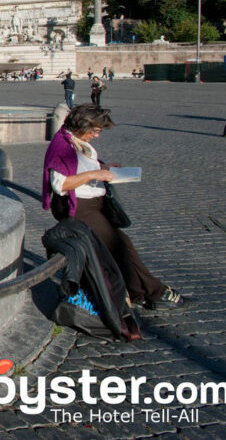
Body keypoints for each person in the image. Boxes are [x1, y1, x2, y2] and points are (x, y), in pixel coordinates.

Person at [43, 104, 186, 310]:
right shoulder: (62, 146)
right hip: (82, 209)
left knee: (121, 245)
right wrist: (95, 175)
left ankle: (142, 291)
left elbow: (81, 166)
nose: (97, 135)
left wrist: (103, 168)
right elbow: (61, 184)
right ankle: (154, 292)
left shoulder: (75, 140)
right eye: (95, 130)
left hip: (92, 205)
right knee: (120, 245)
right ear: (83, 125)